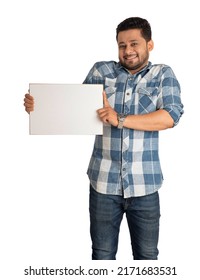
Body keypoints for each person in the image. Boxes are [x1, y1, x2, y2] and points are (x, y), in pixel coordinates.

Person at [24, 17, 184, 260]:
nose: (128, 51)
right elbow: (75, 111)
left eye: (134, 43)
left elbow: (171, 116)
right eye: (122, 45)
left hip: (145, 185)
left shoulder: (163, 74)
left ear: (149, 45)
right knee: (102, 256)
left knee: (147, 257)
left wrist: (119, 118)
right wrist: (39, 108)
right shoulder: (102, 71)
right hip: (102, 184)